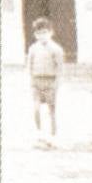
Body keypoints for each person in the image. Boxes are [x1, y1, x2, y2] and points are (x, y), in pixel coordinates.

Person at [26, 16, 66, 145]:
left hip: (50, 81)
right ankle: (39, 134)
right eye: (38, 33)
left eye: (44, 33)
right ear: (35, 35)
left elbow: (60, 68)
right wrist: (31, 80)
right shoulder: (33, 48)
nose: (42, 36)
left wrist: (56, 84)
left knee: (51, 109)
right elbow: (29, 66)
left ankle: (53, 135)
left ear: (51, 33)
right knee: (36, 108)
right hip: (36, 82)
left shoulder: (56, 49)